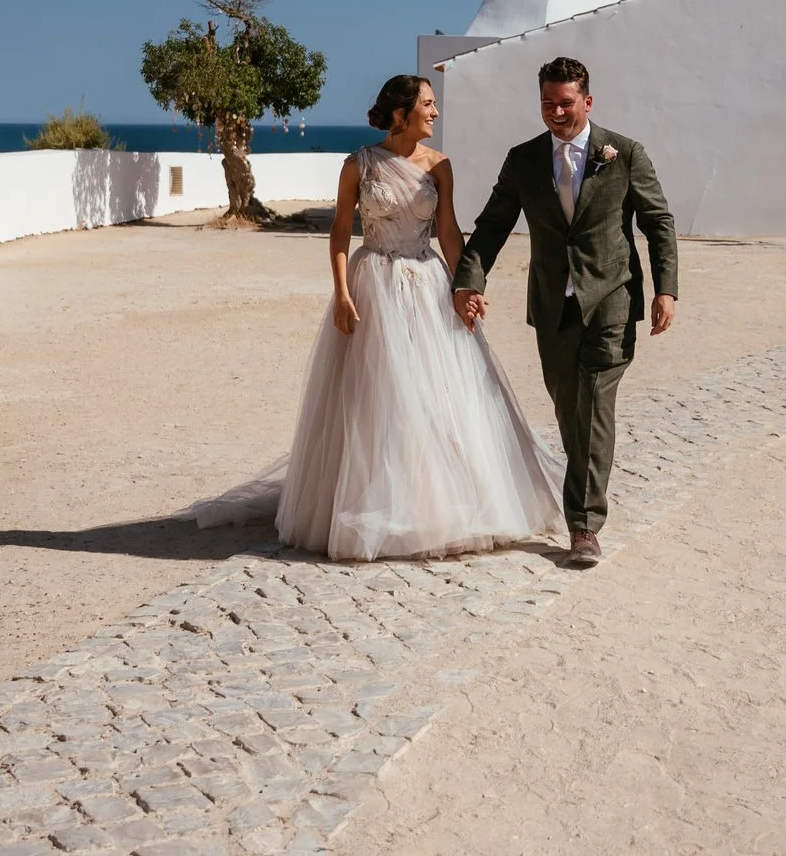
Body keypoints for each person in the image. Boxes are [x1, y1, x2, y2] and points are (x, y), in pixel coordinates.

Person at [201, 73, 562, 560]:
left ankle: (439, 502)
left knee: (439, 393)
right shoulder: (359, 164)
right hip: (375, 284)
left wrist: (466, 287)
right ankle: (376, 502)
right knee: (381, 394)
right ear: (401, 113)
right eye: (427, 105)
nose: (435, 113)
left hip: (429, 284)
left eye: (434, 104)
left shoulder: (440, 166)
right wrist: (342, 293)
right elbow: (340, 233)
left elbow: (450, 233)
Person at [452, 56, 678, 569]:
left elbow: (659, 222)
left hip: (612, 299)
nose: (556, 111)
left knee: (596, 402)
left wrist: (667, 289)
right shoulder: (524, 159)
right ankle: (581, 486)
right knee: (567, 406)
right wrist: (469, 280)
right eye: (547, 103)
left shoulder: (625, 154)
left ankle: (584, 525)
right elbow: (492, 225)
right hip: (553, 303)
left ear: (588, 102)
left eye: (566, 102)